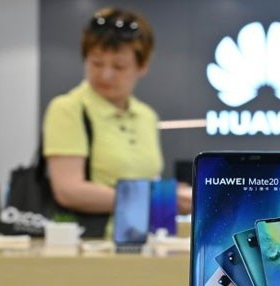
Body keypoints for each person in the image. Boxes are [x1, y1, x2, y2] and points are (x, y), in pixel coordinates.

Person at [42, 6, 192, 229]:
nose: (106, 75)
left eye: (119, 66)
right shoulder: (68, 108)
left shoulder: (146, 116)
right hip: (90, 241)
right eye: (96, 63)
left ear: (142, 66)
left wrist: (172, 194)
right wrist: (157, 200)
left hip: (145, 239)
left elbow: (147, 181)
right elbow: (68, 191)